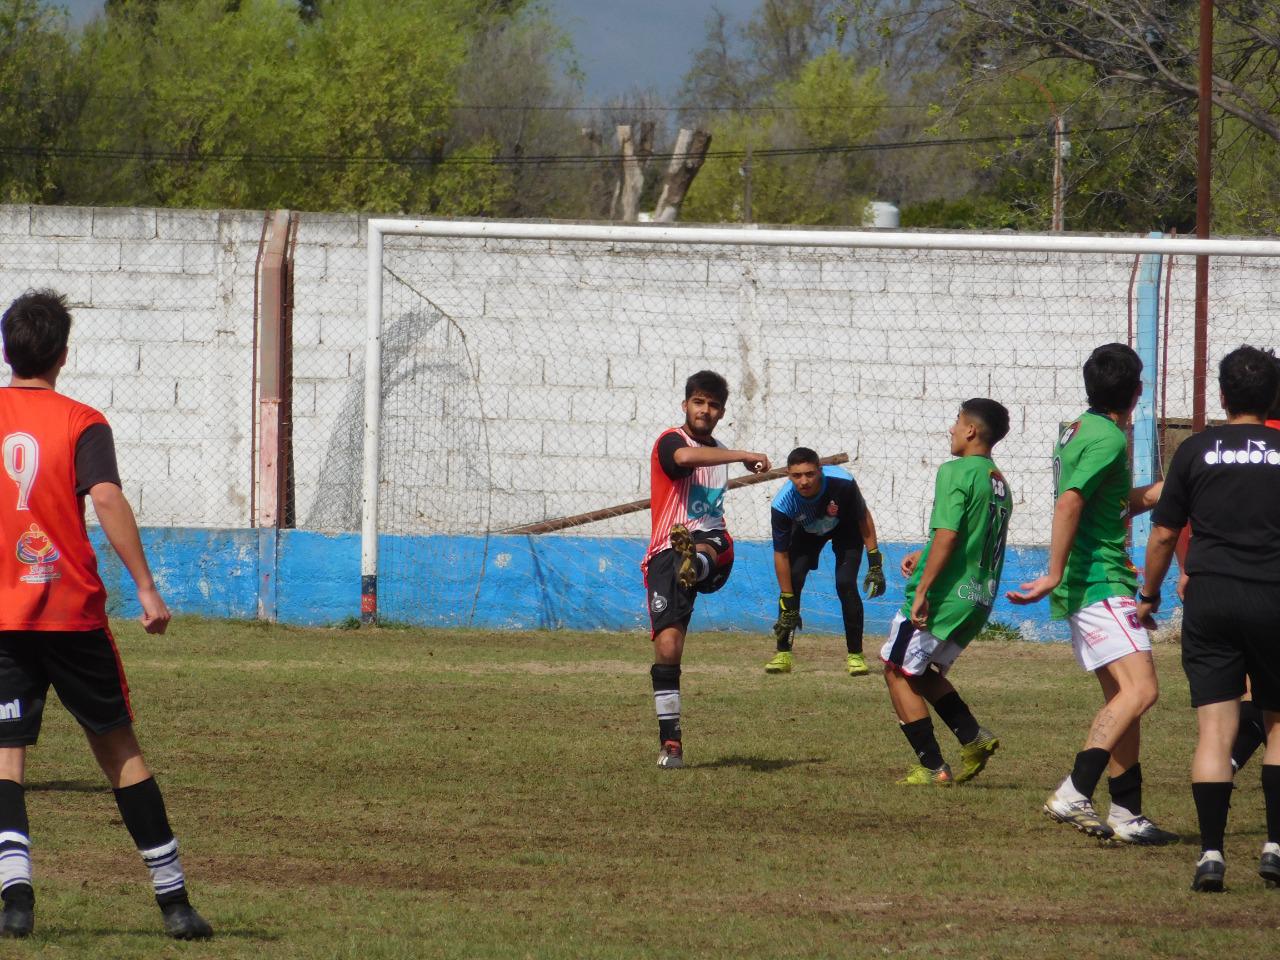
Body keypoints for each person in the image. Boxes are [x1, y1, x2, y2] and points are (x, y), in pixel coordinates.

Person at [0, 291, 212, 940]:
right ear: (64, 355)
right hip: (72, 614)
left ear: (7, 351)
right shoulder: (83, 421)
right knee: (119, 749)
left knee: (7, 758)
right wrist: (145, 587)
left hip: (3, 619)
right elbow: (109, 497)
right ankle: (174, 902)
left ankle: (16, 899)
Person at [1008, 343, 1175, 845]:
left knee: (1123, 698)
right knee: (1143, 691)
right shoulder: (1109, 440)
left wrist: (1170, 487)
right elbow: (1071, 501)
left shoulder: (1077, 429)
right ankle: (1074, 789)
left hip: (1092, 581)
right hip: (1101, 579)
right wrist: (1053, 571)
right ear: (1138, 392)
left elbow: (1106, 502)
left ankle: (1127, 812)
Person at [1136, 345, 1280, 891]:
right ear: (1272, 397)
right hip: (1274, 596)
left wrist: (1149, 594)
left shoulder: (1195, 451)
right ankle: (1273, 846)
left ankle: (1212, 855)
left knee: (1214, 732)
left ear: (1222, 395)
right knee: (1277, 723)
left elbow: (1165, 533)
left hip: (1211, 597)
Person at [642, 370, 770, 769]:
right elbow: (683, 459)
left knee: (707, 541)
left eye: (713, 405)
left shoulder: (719, 453)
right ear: (686, 405)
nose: (705, 410)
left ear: (721, 412)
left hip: (716, 548)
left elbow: (710, 473)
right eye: (699, 402)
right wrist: (744, 455)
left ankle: (694, 562)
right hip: (665, 552)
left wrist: (733, 455)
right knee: (668, 647)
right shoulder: (670, 441)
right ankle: (672, 743)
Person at [880, 399, 1011, 785]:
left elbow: (950, 533)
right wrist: (927, 553)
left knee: (895, 669)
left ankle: (933, 766)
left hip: (946, 594)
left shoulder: (956, 471)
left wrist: (922, 588)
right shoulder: (998, 480)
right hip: (977, 595)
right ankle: (973, 737)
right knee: (922, 671)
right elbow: (972, 537)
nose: (952, 429)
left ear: (971, 430)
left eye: (956, 422)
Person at [765, 448, 885, 677]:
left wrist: (875, 562)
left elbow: (863, 517)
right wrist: (787, 600)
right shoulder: (782, 504)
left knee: (845, 583)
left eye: (809, 474)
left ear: (820, 471)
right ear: (788, 475)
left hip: (845, 527)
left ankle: (856, 657)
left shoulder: (843, 483)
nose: (804, 481)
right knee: (793, 580)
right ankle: (783, 654)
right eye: (797, 476)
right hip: (807, 532)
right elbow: (780, 554)